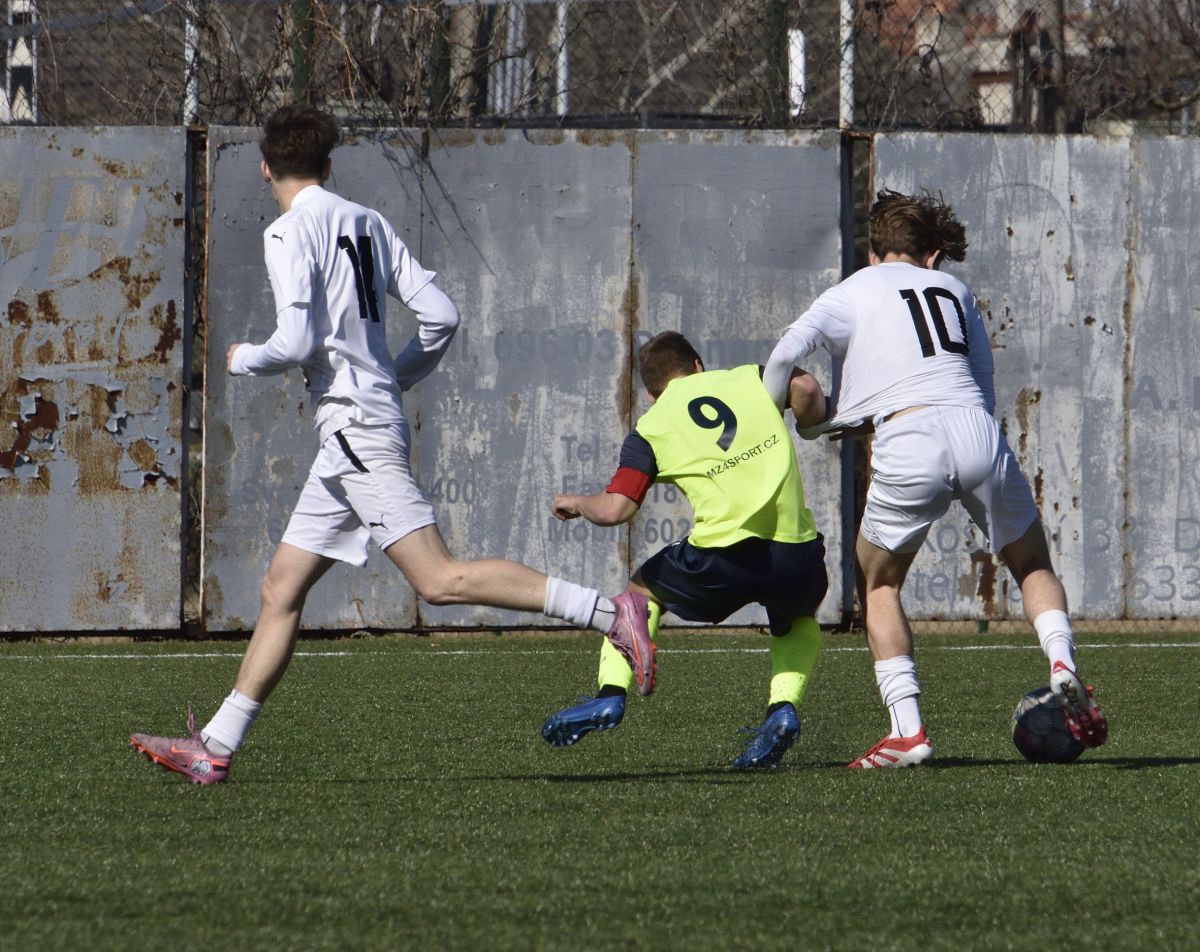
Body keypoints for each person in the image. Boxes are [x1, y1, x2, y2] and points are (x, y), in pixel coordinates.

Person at [130, 104, 653, 785]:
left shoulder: (288, 231)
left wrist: (241, 359)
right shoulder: (367, 220)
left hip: (354, 427)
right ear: (327, 165)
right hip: (356, 426)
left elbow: (295, 341)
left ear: (265, 168)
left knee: (438, 580)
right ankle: (215, 746)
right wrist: (391, 376)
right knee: (280, 586)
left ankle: (609, 612)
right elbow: (442, 315)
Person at [762, 188, 1108, 769]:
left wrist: (780, 420)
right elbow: (979, 384)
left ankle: (907, 731)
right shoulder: (954, 290)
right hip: (976, 429)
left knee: (879, 584)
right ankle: (1062, 664)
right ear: (932, 255)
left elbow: (782, 358)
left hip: (909, 436)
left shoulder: (851, 289)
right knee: (1032, 564)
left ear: (874, 253)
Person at [542, 331, 829, 769]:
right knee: (797, 619)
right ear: (698, 364)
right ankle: (782, 707)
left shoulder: (650, 428)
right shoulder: (750, 378)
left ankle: (611, 694)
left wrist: (578, 503)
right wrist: (812, 426)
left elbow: (617, 509)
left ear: (650, 394)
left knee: (636, 595)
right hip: (796, 553)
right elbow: (805, 388)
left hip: (723, 558)